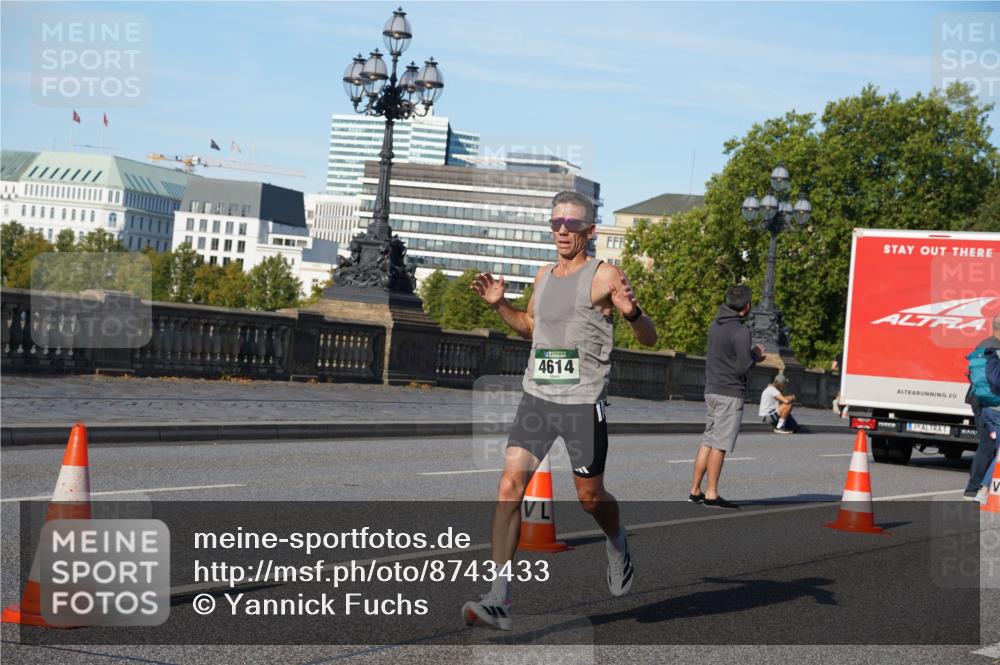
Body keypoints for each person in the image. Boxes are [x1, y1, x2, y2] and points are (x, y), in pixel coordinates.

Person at [463, 190, 658, 630]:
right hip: (539, 396)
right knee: (509, 485)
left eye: (572, 224)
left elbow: (649, 337)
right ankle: (499, 598)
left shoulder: (606, 274)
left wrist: (632, 312)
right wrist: (500, 307)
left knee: (590, 498)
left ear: (590, 230)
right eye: (556, 224)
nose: (563, 231)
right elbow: (530, 327)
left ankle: (617, 540)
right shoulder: (542, 275)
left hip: (582, 403)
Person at [689, 284, 765, 509]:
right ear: (747, 306)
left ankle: (695, 490)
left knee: (708, 439)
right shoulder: (741, 331)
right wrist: (756, 355)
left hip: (711, 389)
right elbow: (743, 366)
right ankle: (712, 494)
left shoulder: (716, 324)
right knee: (720, 444)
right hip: (729, 392)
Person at [963, 315, 1000, 500]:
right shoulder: (997, 349)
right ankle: (977, 488)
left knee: (986, 446)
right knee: (989, 448)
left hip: (978, 400)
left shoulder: (982, 345)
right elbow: (995, 379)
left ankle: (975, 489)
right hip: (993, 403)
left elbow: (970, 373)